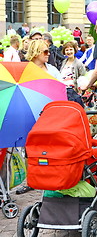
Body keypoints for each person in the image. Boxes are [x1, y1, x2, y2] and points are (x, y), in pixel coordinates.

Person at [16, 40, 62, 195]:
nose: (48, 54)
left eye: (48, 51)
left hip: (50, 113)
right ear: (36, 53)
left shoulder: (52, 70)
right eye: (45, 52)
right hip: (29, 112)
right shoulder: (26, 70)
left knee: (50, 145)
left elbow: (61, 89)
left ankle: (50, 174)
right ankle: (32, 179)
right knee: (29, 146)